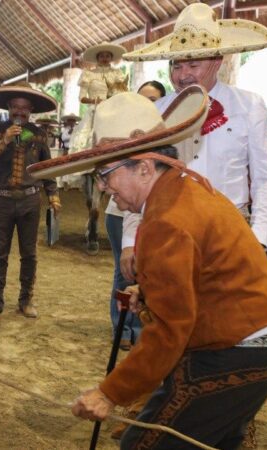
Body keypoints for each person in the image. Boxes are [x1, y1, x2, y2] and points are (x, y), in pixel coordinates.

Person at [29, 89, 267, 450]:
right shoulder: (185, 188)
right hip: (254, 338)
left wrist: (109, 392)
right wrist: (147, 292)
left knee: (143, 445)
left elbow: (169, 329)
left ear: (145, 167)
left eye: (106, 175)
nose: (103, 188)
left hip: (238, 345)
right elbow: (200, 275)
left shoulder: (168, 220)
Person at [121, 3, 267, 283]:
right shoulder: (157, 112)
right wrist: (130, 241)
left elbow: (266, 179)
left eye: (193, 64)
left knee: (224, 320)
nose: (182, 76)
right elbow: (140, 178)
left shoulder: (249, 105)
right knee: (170, 315)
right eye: (177, 65)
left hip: (230, 232)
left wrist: (259, 239)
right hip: (168, 233)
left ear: (217, 61)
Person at [0, 81, 61, 319]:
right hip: (2, 201)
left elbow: (46, 168)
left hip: (30, 201)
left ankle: (26, 300)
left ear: (31, 110)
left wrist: (53, 194)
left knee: (29, 254)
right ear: (8, 107)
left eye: (25, 108)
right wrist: (4, 140)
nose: (20, 112)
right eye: (15, 107)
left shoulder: (38, 134)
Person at [104, 81, 166, 352]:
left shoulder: (172, 217)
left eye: (153, 99)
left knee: (146, 273)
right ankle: (123, 326)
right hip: (122, 214)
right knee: (125, 271)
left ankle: (141, 326)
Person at [70, 42, 129, 255]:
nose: (104, 58)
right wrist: (94, 99)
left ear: (111, 57)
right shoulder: (88, 74)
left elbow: (124, 95)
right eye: (101, 55)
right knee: (82, 142)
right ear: (97, 57)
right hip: (94, 113)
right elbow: (81, 97)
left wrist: (114, 98)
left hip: (111, 114)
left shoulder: (118, 74)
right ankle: (81, 167)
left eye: (107, 55)